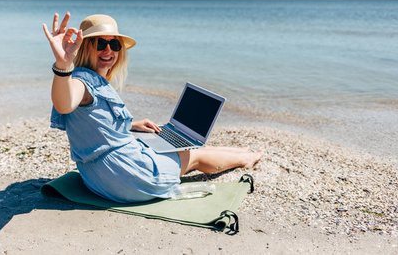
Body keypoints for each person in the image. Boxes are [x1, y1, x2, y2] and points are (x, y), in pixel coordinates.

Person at [42, 12, 264, 203]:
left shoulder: (91, 79)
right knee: (193, 155)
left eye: (114, 44)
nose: (108, 50)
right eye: (100, 43)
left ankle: (239, 151)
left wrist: (130, 125)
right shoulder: (80, 81)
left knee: (187, 147)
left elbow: (95, 122)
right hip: (124, 177)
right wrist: (63, 65)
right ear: (84, 48)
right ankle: (245, 159)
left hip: (99, 176)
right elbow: (64, 103)